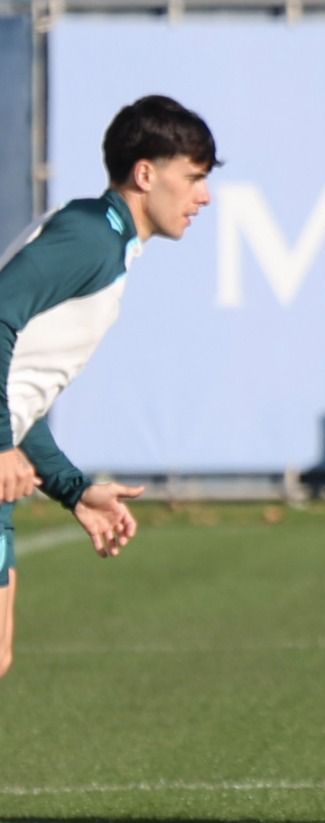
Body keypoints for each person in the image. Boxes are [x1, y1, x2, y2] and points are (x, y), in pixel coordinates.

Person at [0, 95, 219, 678]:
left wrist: (72, 489)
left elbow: (24, 391)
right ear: (146, 174)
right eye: (193, 178)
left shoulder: (104, 241)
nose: (205, 195)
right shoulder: (90, 237)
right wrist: (1, 445)